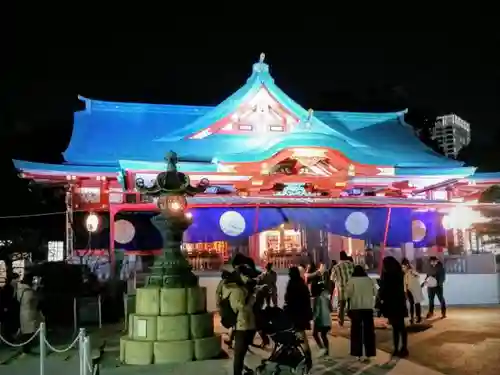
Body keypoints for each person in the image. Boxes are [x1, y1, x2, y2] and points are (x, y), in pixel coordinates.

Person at [218, 263, 257, 375]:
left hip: (245, 324)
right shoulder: (236, 290)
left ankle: (240, 371)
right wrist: (251, 301)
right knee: (239, 355)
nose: (248, 278)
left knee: (241, 354)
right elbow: (239, 307)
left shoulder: (239, 288)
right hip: (242, 325)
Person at [378, 257, 409, 358]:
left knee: (395, 327)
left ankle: (396, 348)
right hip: (399, 302)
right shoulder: (400, 274)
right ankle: (404, 347)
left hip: (391, 303)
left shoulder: (386, 275)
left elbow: (383, 290)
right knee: (401, 326)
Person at [284, 266, 313, 373]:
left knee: (295, 335)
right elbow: (307, 300)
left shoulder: (291, 284)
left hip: (294, 315)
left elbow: (288, 299)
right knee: (302, 337)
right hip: (302, 314)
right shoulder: (302, 284)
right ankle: (307, 356)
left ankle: (302, 358)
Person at [346, 265, 377, 362]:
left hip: (356, 308)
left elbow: (348, 294)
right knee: (369, 331)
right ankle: (369, 353)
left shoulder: (352, 280)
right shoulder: (369, 280)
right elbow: (375, 292)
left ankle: (357, 353)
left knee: (356, 332)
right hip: (368, 308)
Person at [17, 273, 43, 355]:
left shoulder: (20, 289)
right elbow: (34, 300)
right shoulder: (28, 291)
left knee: (26, 331)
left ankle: (26, 348)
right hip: (29, 313)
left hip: (23, 312)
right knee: (28, 333)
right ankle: (26, 349)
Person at [331, 251, 355, 326]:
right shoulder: (352, 264)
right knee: (351, 304)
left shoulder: (336, 267)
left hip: (341, 289)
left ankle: (341, 321)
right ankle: (353, 319)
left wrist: (337, 281)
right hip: (351, 287)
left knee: (341, 305)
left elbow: (332, 278)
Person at [312, 283, 332, 357]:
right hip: (327, 320)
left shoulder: (317, 298)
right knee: (323, 335)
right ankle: (326, 351)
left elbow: (316, 311)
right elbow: (331, 309)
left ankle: (322, 349)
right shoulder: (327, 298)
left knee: (315, 334)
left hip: (320, 320)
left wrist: (313, 318)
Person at [401, 258, 423, 324]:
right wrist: (405, 291)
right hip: (409, 290)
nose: (403, 268)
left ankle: (418, 317)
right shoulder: (404, 274)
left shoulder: (412, 271)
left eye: (404, 267)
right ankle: (412, 318)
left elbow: (418, 276)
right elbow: (405, 283)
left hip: (415, 290)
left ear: (407, 265)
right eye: (402, 267)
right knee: (411, 304)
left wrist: (414, 274)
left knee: (417, 303)